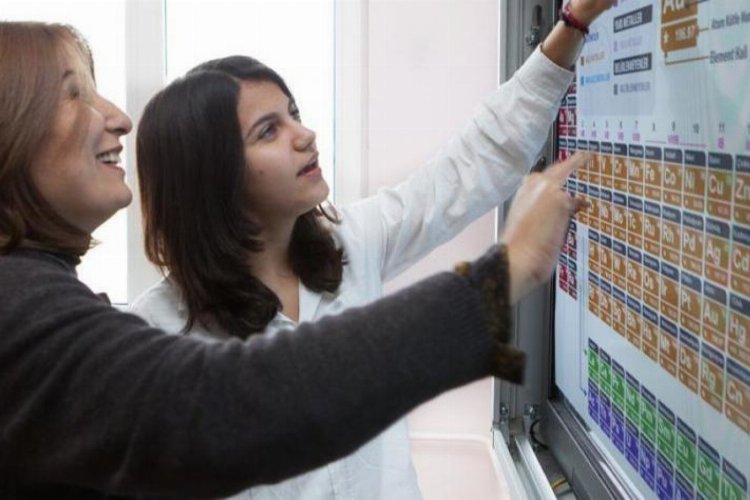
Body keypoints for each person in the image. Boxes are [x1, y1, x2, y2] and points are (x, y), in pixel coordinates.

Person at [0, 19, 587, 498]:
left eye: (294, 115)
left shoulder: (351, 243)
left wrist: (572, 25)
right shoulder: (151, 330)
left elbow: (468, 168)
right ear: (213, 177)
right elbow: (229, 406)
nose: (304, 137)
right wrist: (500, 276)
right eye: (267, 132)